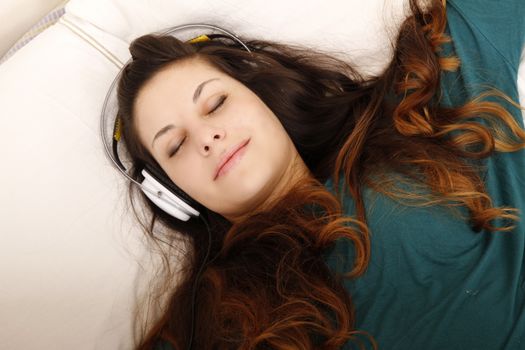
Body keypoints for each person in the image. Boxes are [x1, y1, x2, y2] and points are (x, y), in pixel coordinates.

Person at [113, 0, 525, 348]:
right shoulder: (211, 316)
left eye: (216, 103)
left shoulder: (413, 113)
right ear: (175, 195)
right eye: (176, 145)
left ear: (264, 95)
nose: (207, 137)